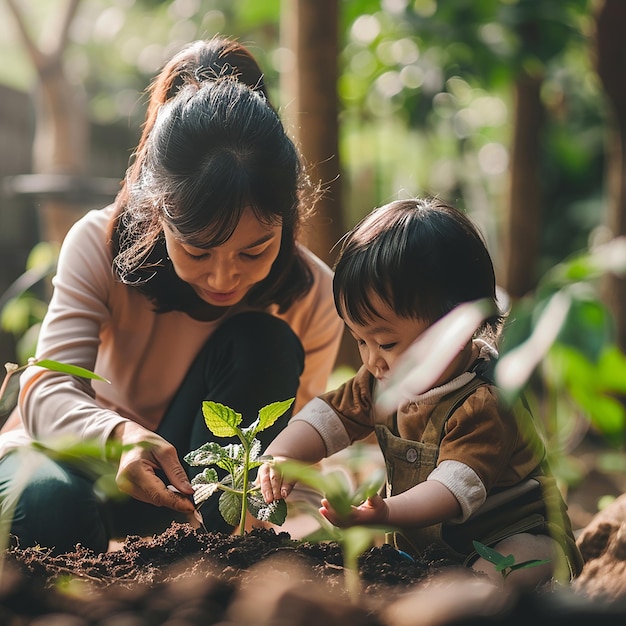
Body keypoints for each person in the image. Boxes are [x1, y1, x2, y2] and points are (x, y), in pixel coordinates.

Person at [0, 37, 343, 554]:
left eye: (253, 252)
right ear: (158, 215)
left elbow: (293, 444)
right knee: (49, 506)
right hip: (71, 460)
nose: (224, 277)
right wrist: (120, 438)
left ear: (287, 218)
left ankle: (207, 552)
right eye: (198, 252)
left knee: (264, 344)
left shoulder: (313, 294)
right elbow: (47, 391)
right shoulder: (98, 243)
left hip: (189, 493)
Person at [259, 198, 584, 588]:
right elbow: (327, 418)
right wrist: (282, 455)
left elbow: (449, 490)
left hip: (516, 536)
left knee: (497, 574)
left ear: (457, 331)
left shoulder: (484, 402)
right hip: (436, 547)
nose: (372, 359)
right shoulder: (381, 379)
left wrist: (384, 513)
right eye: (361, 341)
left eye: (387, 343)